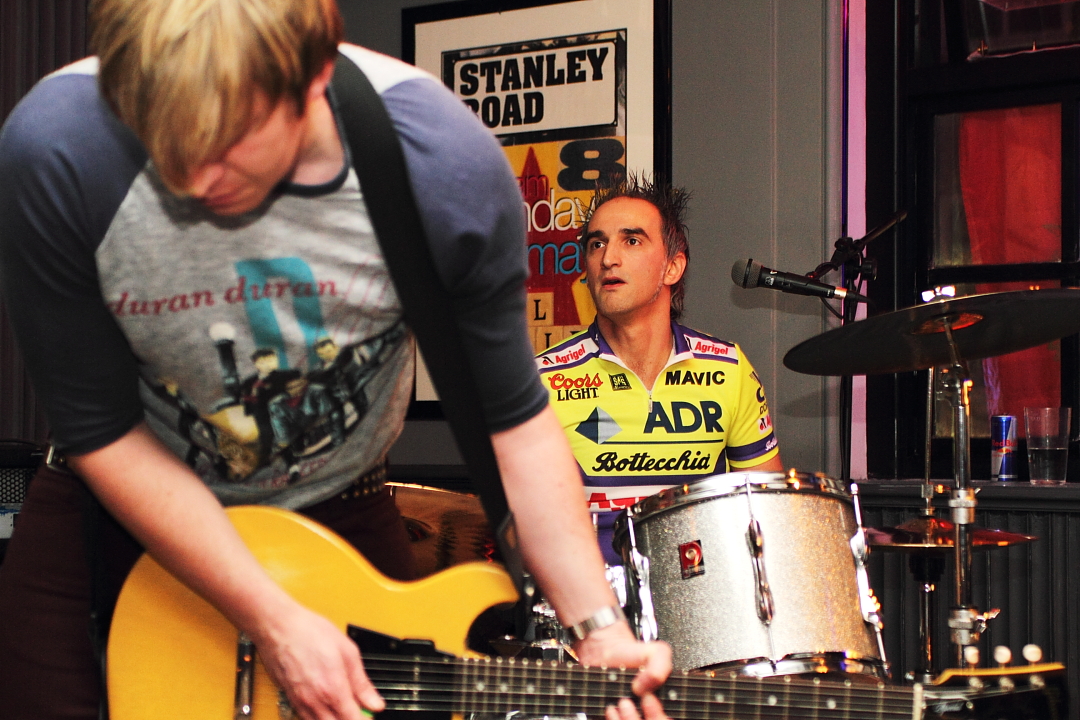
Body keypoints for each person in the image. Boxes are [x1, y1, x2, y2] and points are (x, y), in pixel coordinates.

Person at [0, 2, 671, 719]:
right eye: (165, 136)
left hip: (337, 518)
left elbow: (517, 429)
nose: (193, 176)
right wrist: (272, 616)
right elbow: (101, 430)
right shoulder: (58, 147)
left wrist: (598, 627)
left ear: (315, 72)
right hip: (110, 516)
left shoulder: (439, 166)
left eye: (227, 138)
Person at [537, 177, 783, 563]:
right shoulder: (545, 379)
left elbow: (767, 513)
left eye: (631, 241)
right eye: (597, 244)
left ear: (672, 267)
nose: (608, 258)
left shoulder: (729, 368)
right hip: (594, 593)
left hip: (703, 588)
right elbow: (527, 527)